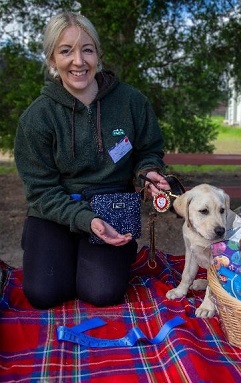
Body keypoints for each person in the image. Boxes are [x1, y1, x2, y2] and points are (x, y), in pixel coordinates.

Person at [14, 12, 170, 309]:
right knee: (44, 294)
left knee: (101, 293)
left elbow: (148, 151)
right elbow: (41, 191)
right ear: (51, 60)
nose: (78, 61)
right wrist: (86, 220)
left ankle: (98, 259)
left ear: (98, 54)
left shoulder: (131, 102)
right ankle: (57, 251)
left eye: (87, 49)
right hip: (55, 211)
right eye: (65, 51)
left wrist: (148, 172)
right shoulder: (36, 119)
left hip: (112, 207)